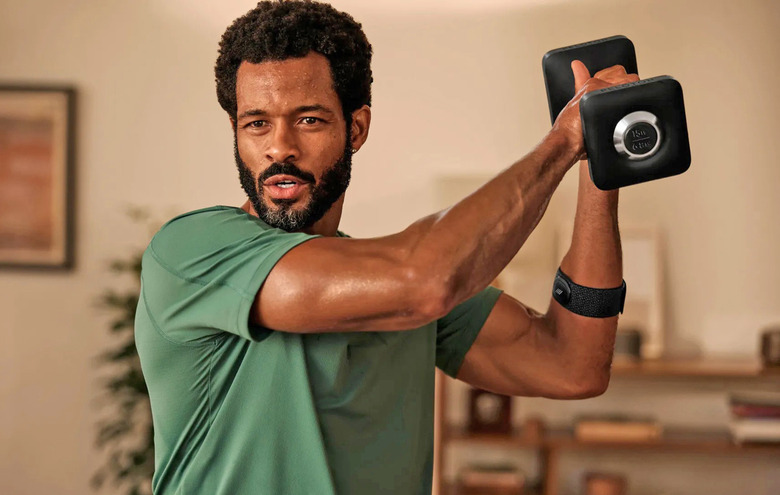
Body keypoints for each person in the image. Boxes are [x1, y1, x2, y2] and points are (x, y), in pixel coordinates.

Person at [135, 1, 639, 494]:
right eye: (257, 123)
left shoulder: (392, 288)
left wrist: (601, 168)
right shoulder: (190, 253)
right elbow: (424, 279)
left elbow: (574, 367)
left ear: (356, 128)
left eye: (308, 120)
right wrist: (563, 142)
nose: (279, 147)